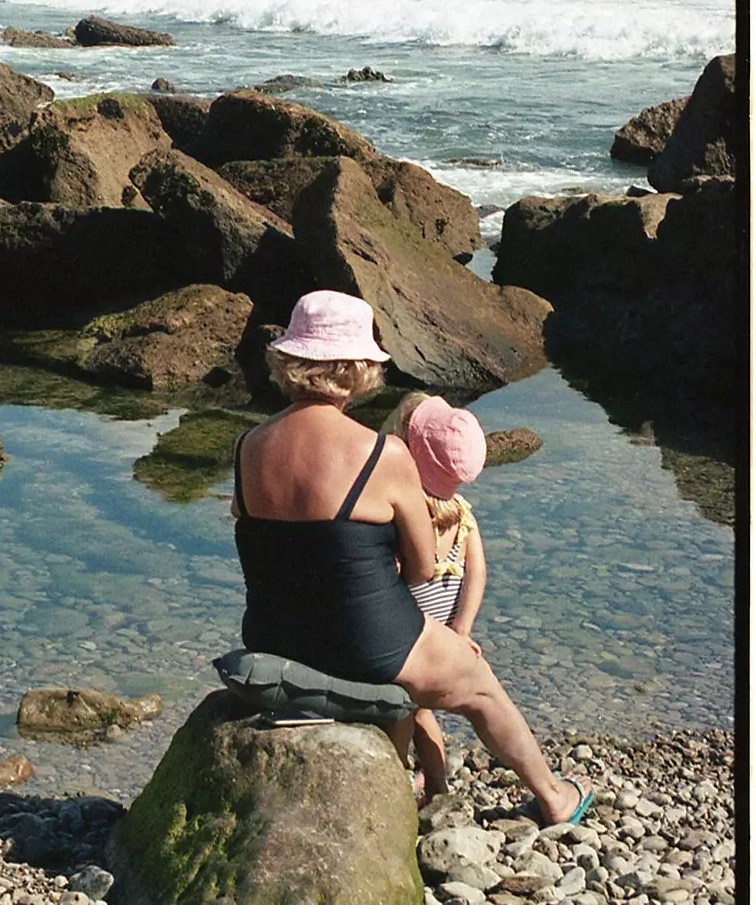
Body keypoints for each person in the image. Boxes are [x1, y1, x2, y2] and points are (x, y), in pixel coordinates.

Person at [232, 289, 592, 825]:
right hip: (368, 645)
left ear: (289, 361)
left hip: (273, 634)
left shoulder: (248, 445)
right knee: (480, 685)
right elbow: (422, 567)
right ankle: (555, 798)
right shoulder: (382, 453)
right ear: (357, 368)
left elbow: (255, 537)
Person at [386, 393, 489, 802]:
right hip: (444, 635)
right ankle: (439, 788)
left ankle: (393, 786)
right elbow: (477, 573)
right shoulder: (463, 514)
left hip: (410, 641)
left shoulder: (408, 515)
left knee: (401, 716)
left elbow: (395, 577)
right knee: (424, 713)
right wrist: (461, 630)